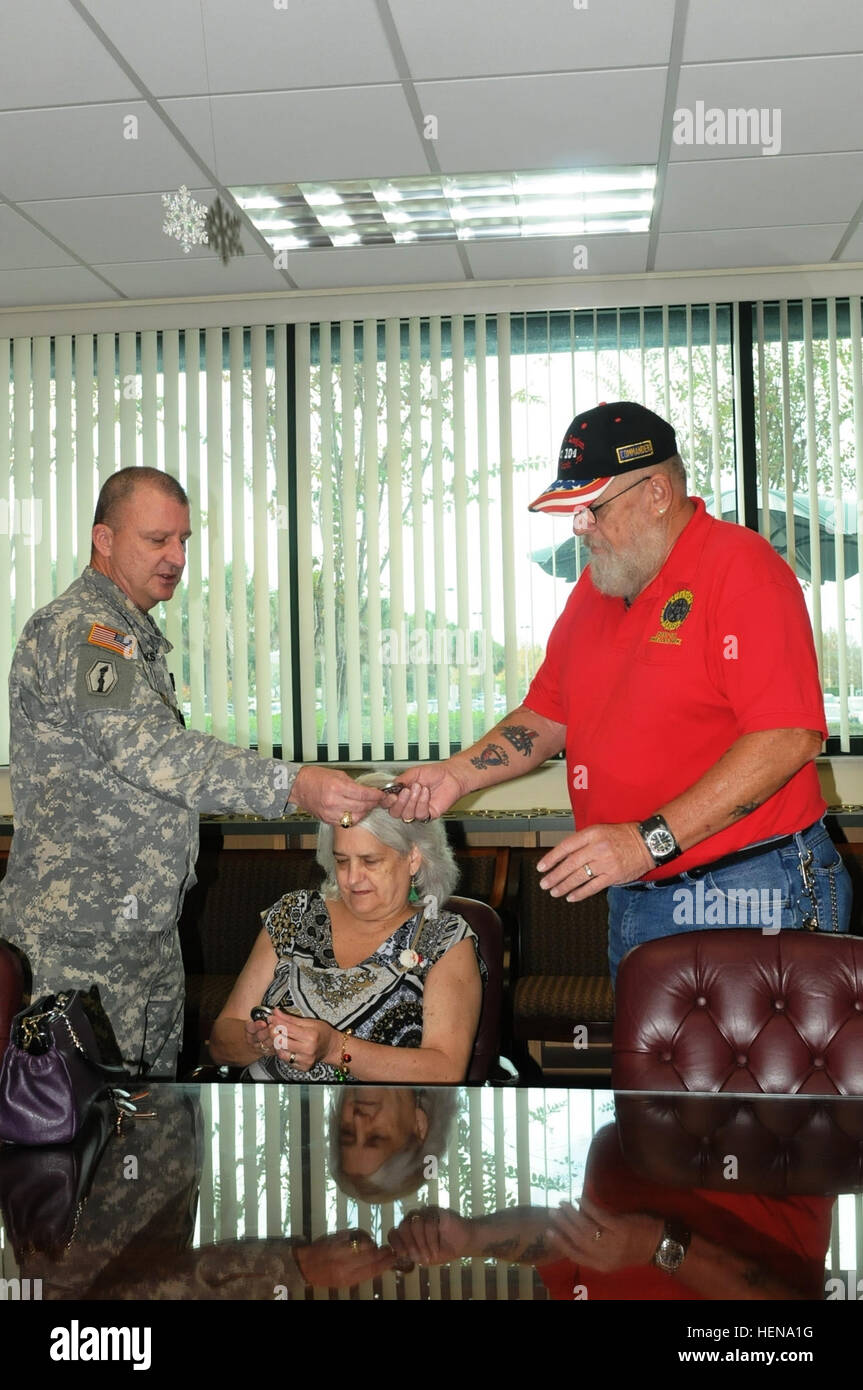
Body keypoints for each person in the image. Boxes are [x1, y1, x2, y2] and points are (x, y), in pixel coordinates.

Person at [386, 401, 851, 981]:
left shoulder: (742, 569)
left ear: (657, 492)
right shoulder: (598, 587)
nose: (580, 525)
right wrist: (458, 774)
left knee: (752, 1075)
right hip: (635, 892)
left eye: (592, 508)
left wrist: (644, 842)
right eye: (573, 510)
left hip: (751, 886)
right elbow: (547, 715)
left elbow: (788, 739)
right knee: (648, 1074)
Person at [0, 467, 383, 1077]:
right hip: (78, 947)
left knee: (153, 1136)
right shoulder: (83, 632)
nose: (177, 557)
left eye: (183, 541)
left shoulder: (128, 634)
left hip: (142, 939)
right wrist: (292, 784)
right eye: (157, 540)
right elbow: (151, 751)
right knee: (77, 1142)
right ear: (103, 539)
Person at [209, 771, 485, 1081]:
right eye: (342, 861)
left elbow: (446, 1070)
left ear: (413, 859)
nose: (352, 879)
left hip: (384, 1122)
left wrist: (333, 1049)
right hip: (273, 1115)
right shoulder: (294, 915)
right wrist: (258, 1042)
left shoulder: (443, 938)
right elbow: (221, 1042)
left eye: (370, 861)